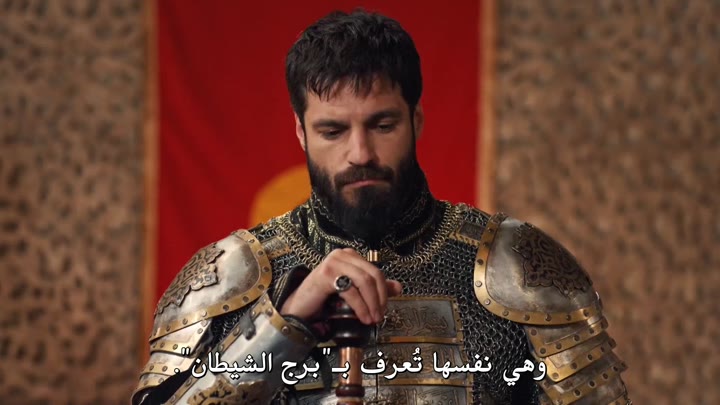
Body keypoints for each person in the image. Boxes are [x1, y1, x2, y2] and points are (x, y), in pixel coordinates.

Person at [132, 9, 630, 405]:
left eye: (382, 125)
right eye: (333, 130)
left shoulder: (520, 265)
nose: (360, 154)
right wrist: (286, 319)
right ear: (301, 132)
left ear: (416, 120)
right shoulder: (230, 275)